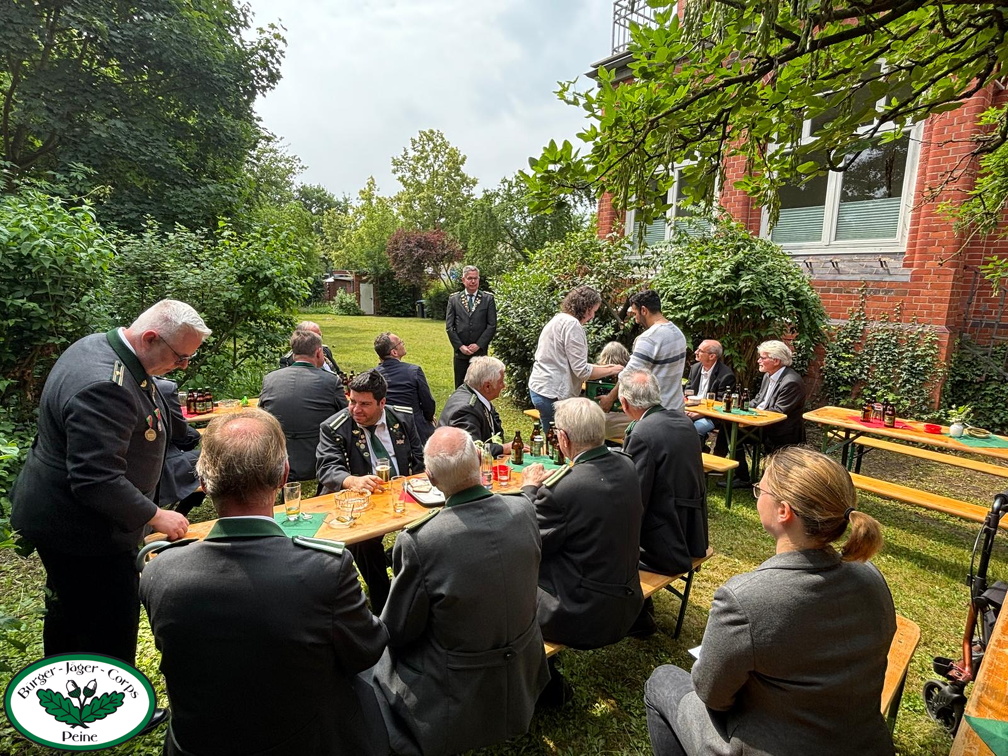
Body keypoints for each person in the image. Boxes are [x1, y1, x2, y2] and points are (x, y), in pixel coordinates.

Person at [141, 409, 389, 756]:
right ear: (283, 475)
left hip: (195, 744)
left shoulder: (159, 572)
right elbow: (367, 650)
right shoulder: (326, 569)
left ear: (203, 482)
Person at [644, 446, 897, 756]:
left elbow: (711, 695)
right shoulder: (870, 576)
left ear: (783, 511)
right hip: (864, 744)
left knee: (663, 680)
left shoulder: (744, 598)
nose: (757, 496)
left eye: (759, 490)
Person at [10, 299, 206, 667]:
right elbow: (95, 478)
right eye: (180, 356)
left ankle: (68, 688)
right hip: (86, 533)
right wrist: (156, 515)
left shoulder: (99, 346)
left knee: (71, 617)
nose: (183, 365)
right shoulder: (106, 385)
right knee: (107, 628)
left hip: (70, 521)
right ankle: (108, 699)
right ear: (150, 338)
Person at [369, 427, 549, 756]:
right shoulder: (524, 509)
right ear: (479, 460)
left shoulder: (422, 540)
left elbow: (398, 630)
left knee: (372, 665)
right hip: (524, 663)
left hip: (457, 685)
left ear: (431, 479)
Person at [521, 398, 643, 648]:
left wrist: (529, 489)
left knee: (502, 580)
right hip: (627, 600)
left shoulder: (562, 488)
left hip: (582, 614)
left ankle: (544, 671)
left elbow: (529, 541)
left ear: (563, 438)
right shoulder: (627, 465)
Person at [317, 370, 424, 613]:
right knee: (363, 542)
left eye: (364, 404)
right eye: (352, 401)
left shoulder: (403, 418)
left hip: (403, 494)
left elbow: (419, 459)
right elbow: (327, 468)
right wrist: (351, 480)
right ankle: (383, 602)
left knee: (433, 522)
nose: (355, 409)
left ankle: (405, 567)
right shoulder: (334, 427)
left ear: (382, 402)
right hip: (361, 501)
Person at [620, 368, 708, 636]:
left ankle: (638, 619)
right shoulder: (682, 421)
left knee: (608, 539)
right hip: (693, 530)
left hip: (668, 542)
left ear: (624, 403)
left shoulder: (642, 432)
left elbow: (635, 499)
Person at [527, 286, 622, 430]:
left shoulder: (558, 319)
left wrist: (607, 367)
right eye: (594, 311)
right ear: (586, 308)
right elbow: (582, 371)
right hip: (553, 394)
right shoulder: (573, 325)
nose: (592, 316)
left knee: (552, 436)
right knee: (561, 438)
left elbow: (572, 363)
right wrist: (613, 370)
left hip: (540, 387)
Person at [260, 328, 348, 482]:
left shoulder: (270, 379)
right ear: (319, 352)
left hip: (279, 454)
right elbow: (345, 415)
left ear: (293, 353)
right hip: (320, 455)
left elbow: (262, 415)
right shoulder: (331, 381)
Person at [716, 339, 806, 486]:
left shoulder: (791, 382)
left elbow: (777, 413)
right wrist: (739, 409)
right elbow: (758, 400)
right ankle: (738, 474)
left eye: (762, 358)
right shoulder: (768, 375)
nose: (758, 361)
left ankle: (766, 482)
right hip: (762, 426)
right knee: (729, 428)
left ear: (776, 361)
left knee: (733, 430)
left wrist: (750, 415)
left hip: (780, 432)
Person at [600, 289, 688, 414]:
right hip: (677, 408)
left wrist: (609, 399)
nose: (636, 319)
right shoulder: (678, 333)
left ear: (644, 310)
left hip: (657, 412)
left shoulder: (649, 338)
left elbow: (628, 375)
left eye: (635, 313)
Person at [439, 356, 515, 458]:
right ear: (487, 386)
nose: (504, 386)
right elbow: (471, 450)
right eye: (500, 382)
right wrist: (503, 448)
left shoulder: (470, 392)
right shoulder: (466, 411)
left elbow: (494, 423)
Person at [374, 331, 436, 443]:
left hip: (385, 430)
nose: (403, 343)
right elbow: (428, 403)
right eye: (400, 342)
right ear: (394, 352)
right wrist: (430, 418)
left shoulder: (373, 375)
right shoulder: (414, 371)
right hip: (416, 430)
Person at [155, 378, 205, 518]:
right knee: (211, 459)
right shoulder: (163, 388)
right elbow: (180, 433)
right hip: (158, 466)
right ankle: (181, 513)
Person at [445, 265, 497, 388]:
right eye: (469, 278)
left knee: (480, 385)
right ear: (463, 280)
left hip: (480, 353)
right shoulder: (454, 299)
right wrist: (460, 346)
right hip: (461, 353)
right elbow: (449, 326)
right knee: (461, 386)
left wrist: (478, 344)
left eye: (475, 278)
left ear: (479, 279)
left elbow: (492, 325)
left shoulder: (487, 299)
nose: (473, 281)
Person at [684, 340, 735, 438]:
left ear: (712, 356)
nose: (696, 352)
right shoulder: (695, 368)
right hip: (691, 410)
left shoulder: (726, 376)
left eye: (700, 351)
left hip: (712, 416)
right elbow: (688, 392)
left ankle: (698, 447)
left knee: (695, 430)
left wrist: (701, 414)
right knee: (673, 424)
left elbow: (721, 404)